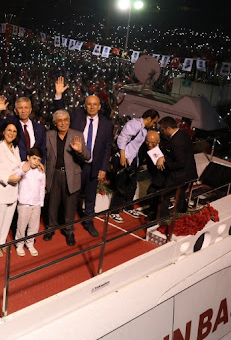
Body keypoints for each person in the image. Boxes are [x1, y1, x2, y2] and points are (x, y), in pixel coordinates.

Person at [53, 77, 113, 236]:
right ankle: (68, 226)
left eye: (95, 104)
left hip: (94, 166)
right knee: (72, 197)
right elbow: (60, 115)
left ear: (99, 107)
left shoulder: (107, 125)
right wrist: (58, 96)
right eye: (89, 104)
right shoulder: (77, 116)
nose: (92, 107)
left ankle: (89, 222)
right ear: (85, 106)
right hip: (75, 165)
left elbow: (107, 147)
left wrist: (103, 168)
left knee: (91, 197)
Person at [43, 110, 90, 246]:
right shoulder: (49, 135)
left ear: (69, 121)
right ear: (55, 123)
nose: (63, 123)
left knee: (70, 206)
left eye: (65, 120)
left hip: (71, 176)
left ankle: (69, 231)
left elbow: (86, 156)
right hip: (54, 174)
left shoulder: (78, 135)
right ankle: (50, 228)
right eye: (60, 120)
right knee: (52, 204)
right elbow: (45, 158)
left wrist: (80, 151)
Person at [110, 109, 160, 222]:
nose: (154, 124)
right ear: (148, 119)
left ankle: (128, 206)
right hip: (124, 158)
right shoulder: (134, 124)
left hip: (133, 160)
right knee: (121, 186)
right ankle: (114, 211)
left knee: (132, 184)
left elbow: (149, 145)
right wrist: (123, 156)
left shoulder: (145, 129)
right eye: (154, 122)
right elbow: (122, 139)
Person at [0, 122, 28, 257]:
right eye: (9, 130)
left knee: (8, 219)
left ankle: (2, 242)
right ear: (3, 132)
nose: (11, 133)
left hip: (12, 191)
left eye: (14, 131)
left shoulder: (15, 148)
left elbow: (17, 165)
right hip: (0, 190)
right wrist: (7, 178)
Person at [157, 116, 198, 213]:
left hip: (181, 175)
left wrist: (164, 161)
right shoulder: (183, 133)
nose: (161, 132)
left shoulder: (176, 141)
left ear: (168, 128)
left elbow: (180, 163)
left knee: (164, 196)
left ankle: (161, 219)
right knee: (180, 197)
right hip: (189, 172)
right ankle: (181, 216)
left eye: (162, 130)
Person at [0, 95, 47, 162]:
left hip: (35, 168)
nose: (23, 111)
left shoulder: (40, 128)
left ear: (30, 109)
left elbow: (43, 149)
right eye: (20, 108)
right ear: (15, 110)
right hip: (16, 167)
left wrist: (39, 163)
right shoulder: (11, 123)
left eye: (26, 107)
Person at [15, 147, 46, 256]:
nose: (36, 162)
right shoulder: (22, 166)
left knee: (34, 226)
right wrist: (22, 170)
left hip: (36, 203)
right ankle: (19, 244)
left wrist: (41, 203)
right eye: (34, 158)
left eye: (38, 160)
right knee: (22, 225)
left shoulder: (41, 171)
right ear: (28, 157)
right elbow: (16, 177)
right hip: (24, 202)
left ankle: (30, 243)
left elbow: (42, 188)